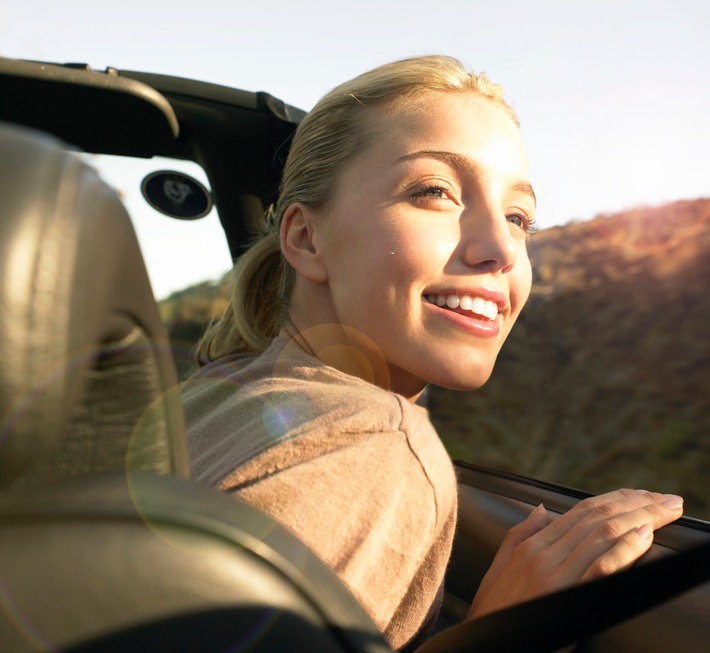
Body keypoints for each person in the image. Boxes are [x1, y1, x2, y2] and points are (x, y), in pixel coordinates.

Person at [181, 55, 684, 651]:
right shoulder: (369, 444)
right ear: (306, 238)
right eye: (435, 191)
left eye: (519, 216)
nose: (500, 246)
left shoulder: (217, 392)